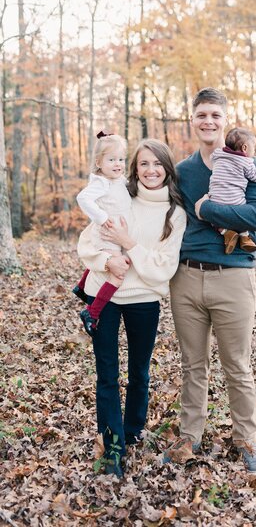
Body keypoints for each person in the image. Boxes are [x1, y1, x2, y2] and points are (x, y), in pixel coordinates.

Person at [164, 87, 256, 478]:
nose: (208, 121)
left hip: (234, 277)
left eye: (215, 115)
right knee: (192, 365)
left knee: (237, 365)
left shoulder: (249, 162)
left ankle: (246, 439)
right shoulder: (182, 171)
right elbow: (163, 216)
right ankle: (189, 436)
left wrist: (207, 208)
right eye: (201, 115)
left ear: (225, 120)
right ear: (192, 120)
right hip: (187, 277)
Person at [77, 139, 186, 477]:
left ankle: (133, 430)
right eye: (143, 164)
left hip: (144, 300)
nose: (151, 170)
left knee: (139, 372)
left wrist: (128, 246)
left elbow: (162, 268)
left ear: (167, 168)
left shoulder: (175, 213)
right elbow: (87, 242)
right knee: (107, 374)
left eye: (157, 164)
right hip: (105, 297)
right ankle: (112, 448)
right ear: (135, 169)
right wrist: (108, 258)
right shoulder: (117, 197)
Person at [73, 132, 131, 337]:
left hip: (114, 233)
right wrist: (100, 216)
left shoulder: (119, 180)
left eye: (121, 159)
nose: (118, 164)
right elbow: (83, 198)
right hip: (106, 233)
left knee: (107, 264)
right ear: (99, 162)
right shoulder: (101, 182)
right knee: (119, 273)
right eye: (112, 159)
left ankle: (81, 287)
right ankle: (92, 312)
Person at [208, 127, 256, 254]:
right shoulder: (246, 161)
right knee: (241, 215)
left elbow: (211, 159)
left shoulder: (217, 155)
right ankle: (244, 237)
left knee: (213, 220)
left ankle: (227, 233)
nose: (254, 151)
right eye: (253, 147)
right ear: (244, 148)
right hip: (235, 200)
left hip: (215, 199)